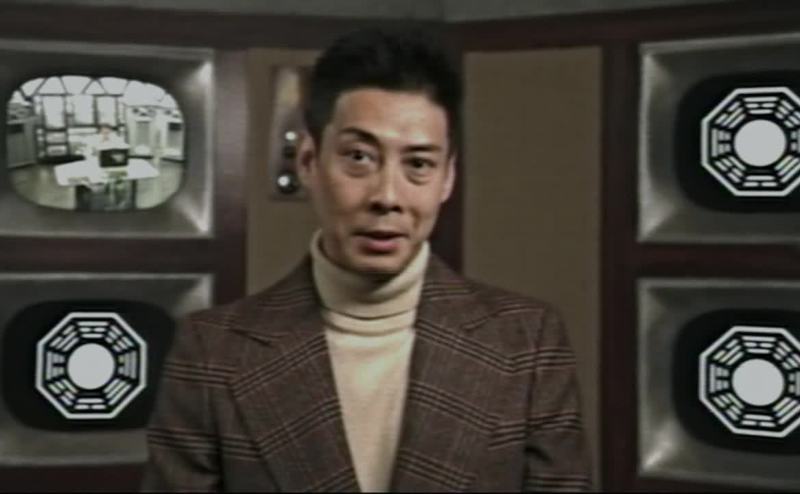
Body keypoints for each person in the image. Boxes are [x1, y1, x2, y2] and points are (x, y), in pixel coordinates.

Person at [141, 28, 591, 492]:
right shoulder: (212, 354)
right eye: (359, 157)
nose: (387, 196)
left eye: (418, 164)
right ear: (309, 162)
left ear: (447, 179)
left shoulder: (526, 343)